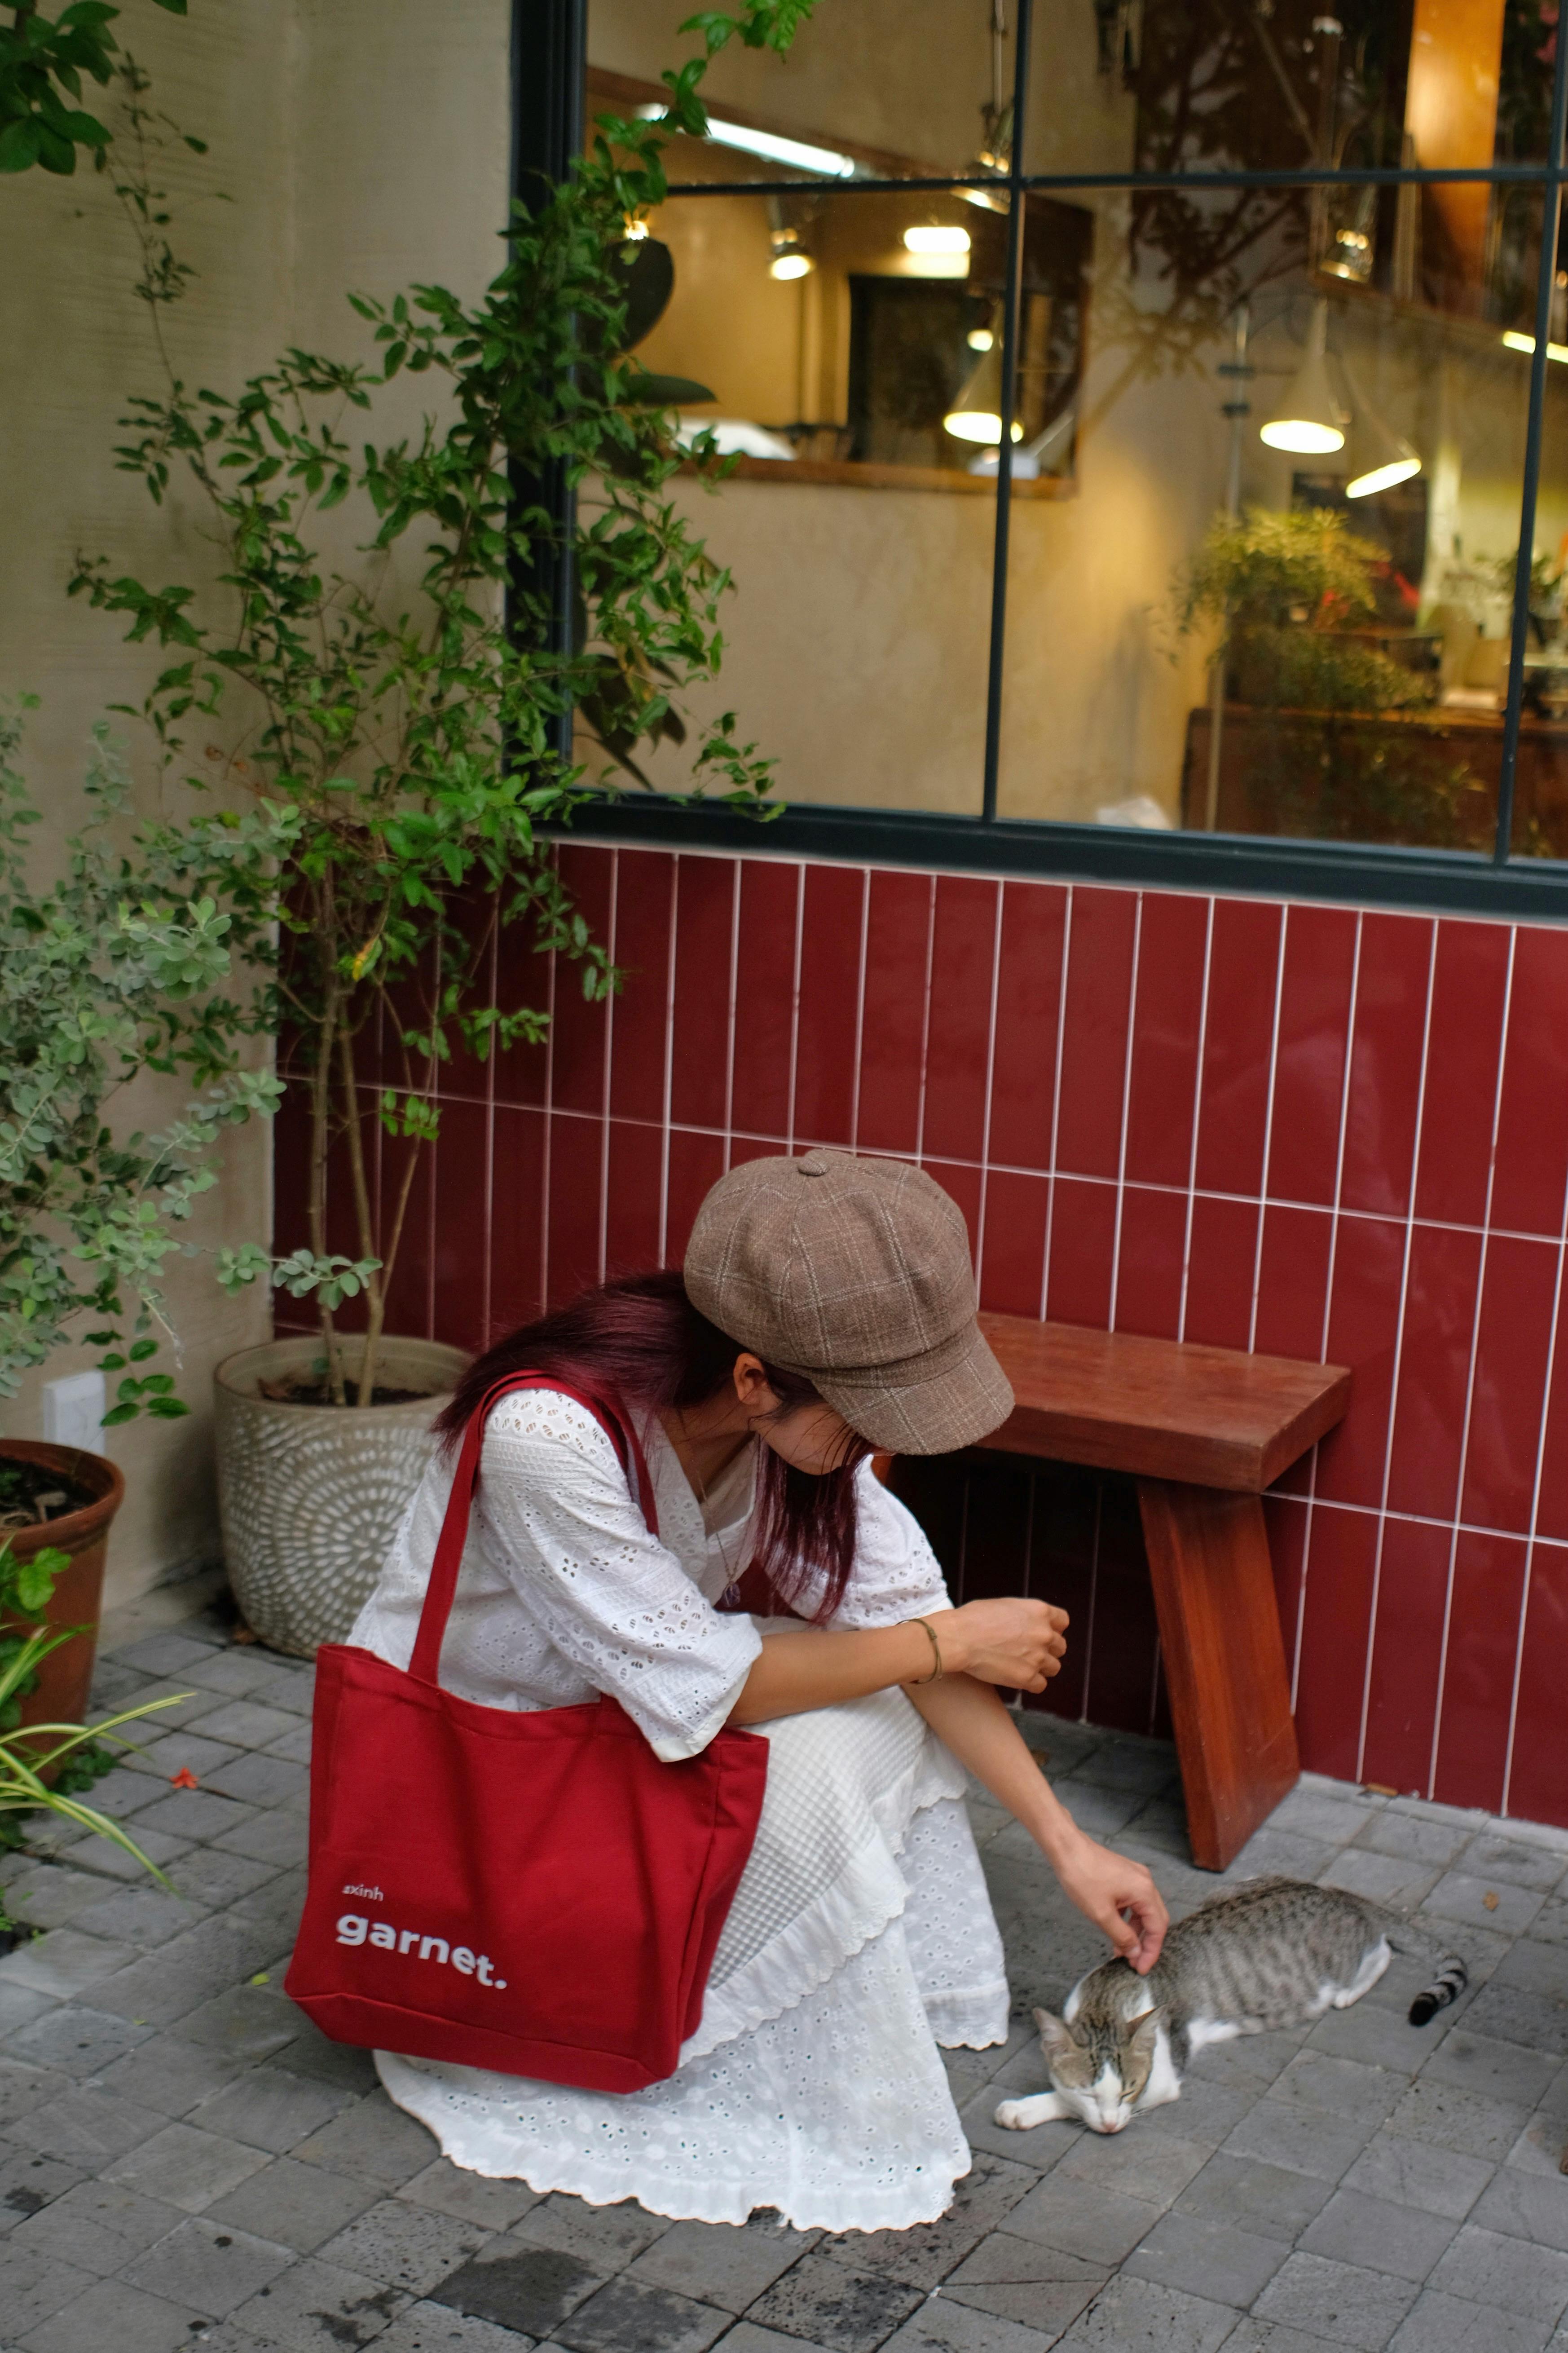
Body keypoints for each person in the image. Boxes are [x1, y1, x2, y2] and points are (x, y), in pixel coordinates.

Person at [352, 1149, 1167, 2232]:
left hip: (638, 1703)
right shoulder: (547, 1432)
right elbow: (736, 1687)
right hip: (507, 1761)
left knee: (883, 1702)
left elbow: (905, 1629)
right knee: (837, 1751)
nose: (882, 1444)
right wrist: (949, 1639)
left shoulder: (789, 1426)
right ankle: (713, 2026)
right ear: (751, 1379)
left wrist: (1070, 1843)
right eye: (869, 1414)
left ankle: (751, 1986)